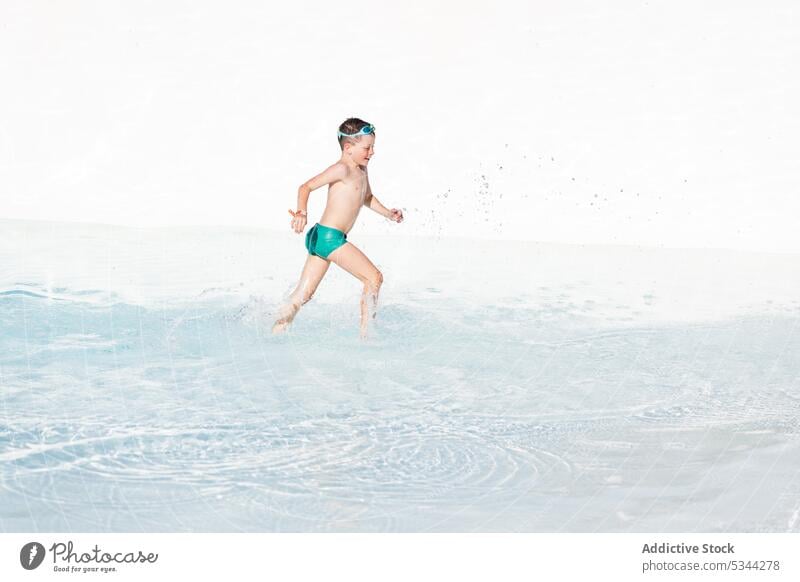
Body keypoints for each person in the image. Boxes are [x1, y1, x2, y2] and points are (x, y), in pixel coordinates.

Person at [272, 118, 403, 338]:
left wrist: (389, 213)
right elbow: (306, 187)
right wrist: (302, 212)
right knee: (374, 278)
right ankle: (367, 338)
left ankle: (272, 327)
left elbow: (367, 197)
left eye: (373, 147)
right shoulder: (341, 169)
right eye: (367, 147)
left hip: (323, 237)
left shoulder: (361, 169)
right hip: (329, 238)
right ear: (348, 148)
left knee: (302, 296)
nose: (372, 152)